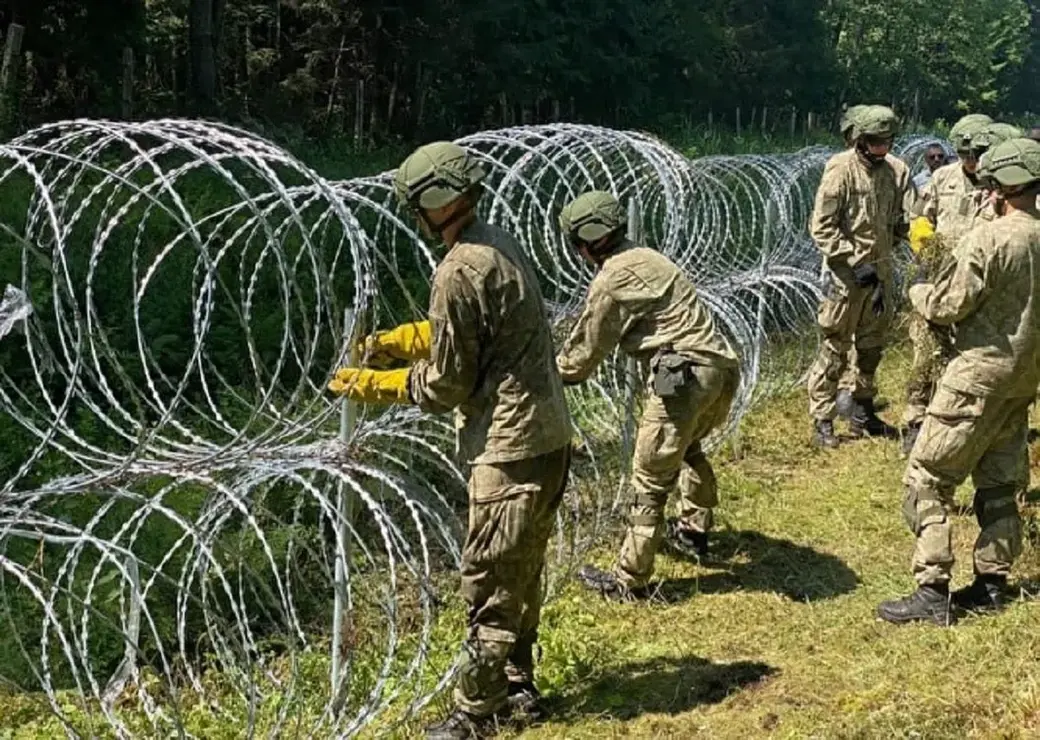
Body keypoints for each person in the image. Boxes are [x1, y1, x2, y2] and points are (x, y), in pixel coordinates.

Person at [328, 141, 573, 738]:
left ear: (435, 203)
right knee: (522, 573)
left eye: (416, 204)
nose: (415, 215)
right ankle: (518, 687)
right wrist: (401, 338)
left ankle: (475, 714)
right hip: (548, 438)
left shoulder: (458, 269)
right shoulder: (496, 242)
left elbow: (445, 384)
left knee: (490, 582)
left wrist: (373, 384)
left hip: (508, 449)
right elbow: (471, 332)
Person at [876, 138, 1040, 626]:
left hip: (975, 375)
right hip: (1023, 378)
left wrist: (919, 291)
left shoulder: (990, 239)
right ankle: (993, 583)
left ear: (1001, 186)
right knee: (998, 483)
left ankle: (932, 589)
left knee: (925, 478)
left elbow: (950, 305)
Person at [552, 191, 740, 600]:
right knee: (689, 449)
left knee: (649, 479)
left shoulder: (612, 277)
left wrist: (547, 376)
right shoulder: (647, 256)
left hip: (686, 379)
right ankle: (693, 528)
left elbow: (582, 355)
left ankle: (629, 579)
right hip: (721, 372)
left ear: (582, 242)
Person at [901, 119, 1021, 454]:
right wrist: (923, 241)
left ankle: (972, 426)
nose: (970, 160)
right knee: (925, 354)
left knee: (970, 360)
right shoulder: (942, 179)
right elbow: (920, 217)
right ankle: (915, 419)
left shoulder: (1001, 188)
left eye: (977, 153)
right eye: (964, 153)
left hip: (981, 288)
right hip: (939, 279)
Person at [806, 105, 905, 449]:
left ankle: (862, 410)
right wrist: (851, 258)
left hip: (879, 273)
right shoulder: (841, 169)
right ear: (859, 140)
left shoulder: (891, 172)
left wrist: (904, 230)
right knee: (835, 348)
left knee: (871, 348)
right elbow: (821, 228)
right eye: (876, 141)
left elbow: (891, 218)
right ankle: (822, 418)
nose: (883, 147)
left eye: (888, 141)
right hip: (845, 278)